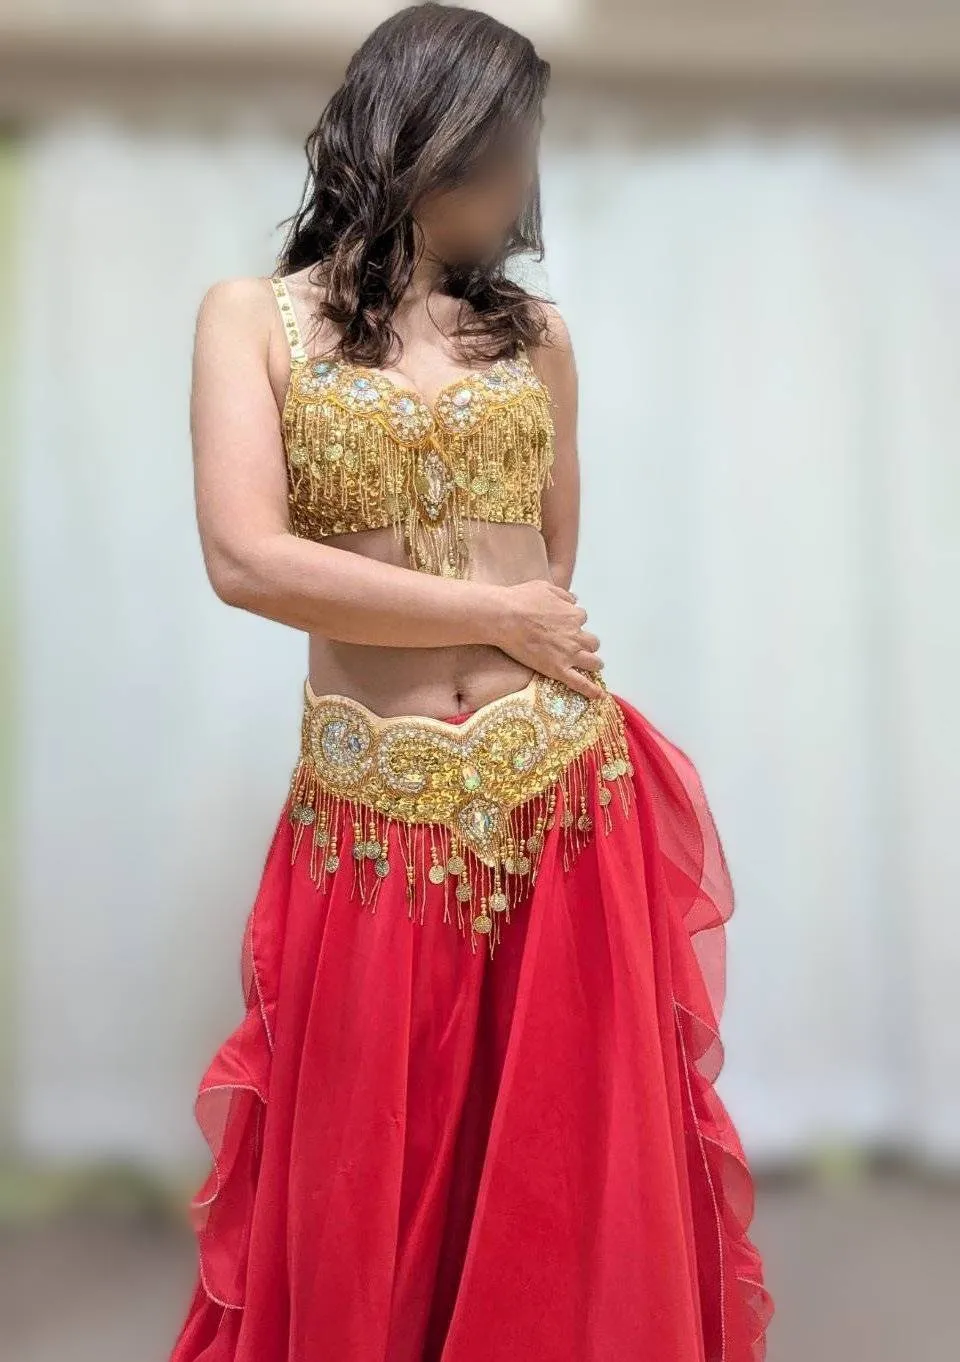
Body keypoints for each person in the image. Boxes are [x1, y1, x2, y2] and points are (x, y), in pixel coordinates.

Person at [168, 5, 773, 1360]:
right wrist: (492, 611)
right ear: (422, 132)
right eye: (505, 149)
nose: (521, 183)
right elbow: (247, 559)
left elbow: (553, 553)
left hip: (560, 792)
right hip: (373, 806)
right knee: (368, 1165)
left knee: (564, 1158)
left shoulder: (536, 334)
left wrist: (515, 615)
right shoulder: (253, 318)